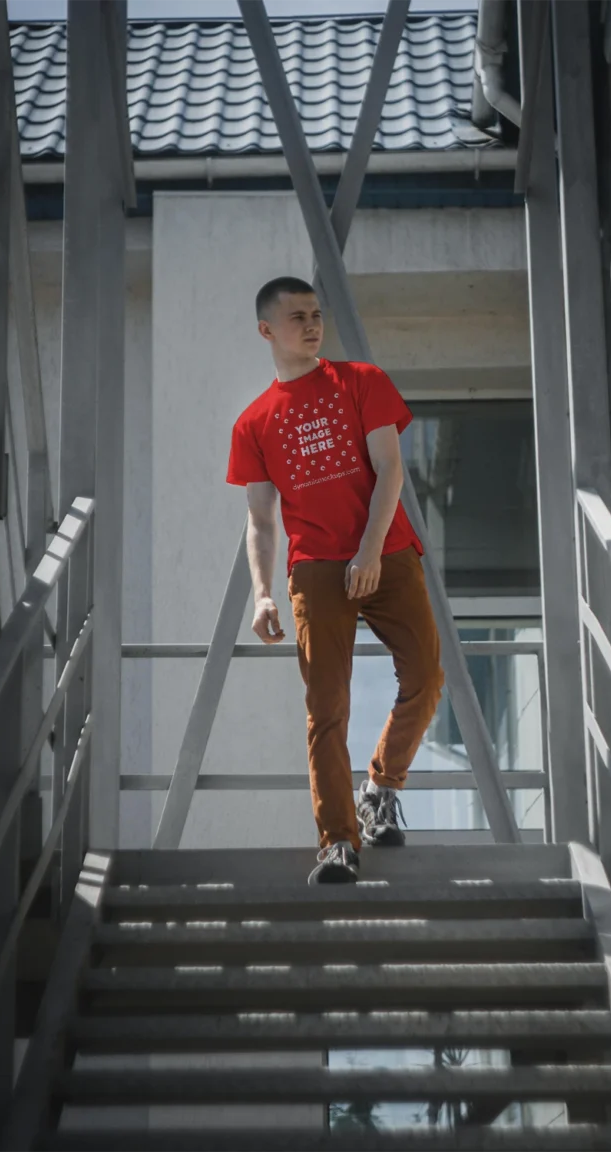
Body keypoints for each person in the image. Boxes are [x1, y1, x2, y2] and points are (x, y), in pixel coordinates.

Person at [227, 276, 444, 885]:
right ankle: (338, 843)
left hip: (389, 552)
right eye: (297, 316)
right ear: (267, 330)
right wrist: (263, 591)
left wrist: (370, 551)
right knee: (327, 707)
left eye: (316, 313)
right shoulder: (254, 423)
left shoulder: (361, 382)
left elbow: (390, 470)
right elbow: (261, 519)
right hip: (316, 569)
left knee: (426, 676)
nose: (312, 323)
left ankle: (381, 785)